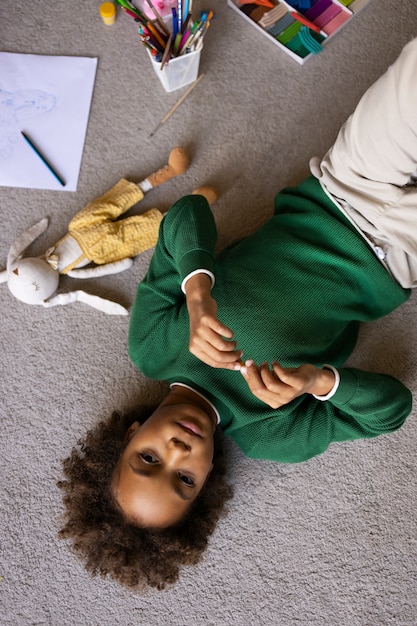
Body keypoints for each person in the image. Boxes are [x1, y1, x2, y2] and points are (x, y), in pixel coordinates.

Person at [59, 37, 417, 590]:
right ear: (205, 484)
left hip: (344, 186)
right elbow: (392, 409)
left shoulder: (154, 345)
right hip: (400, 253)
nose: (176, 450)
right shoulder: (273, 434)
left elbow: (187, 213)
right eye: (183, 480)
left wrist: (199, 291)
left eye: (148, 459)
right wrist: (319, 381)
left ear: (128, 435)